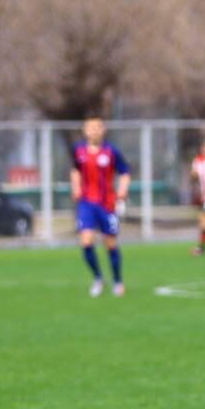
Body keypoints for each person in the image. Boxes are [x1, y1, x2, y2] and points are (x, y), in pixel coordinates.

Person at [71, 117, 131, 298]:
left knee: (110, 243)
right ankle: (98, 278)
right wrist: (75, 186)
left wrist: (122, 190)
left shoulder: (111, 151)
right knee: (86, 241)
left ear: (103, 130)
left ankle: (118, 281)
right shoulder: (79, 150)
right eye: (90, 127)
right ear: (85, 130)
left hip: (107, 204)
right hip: (87, 203)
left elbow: (125, 172)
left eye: (98, 127)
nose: (94, 130)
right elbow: (75, 169)